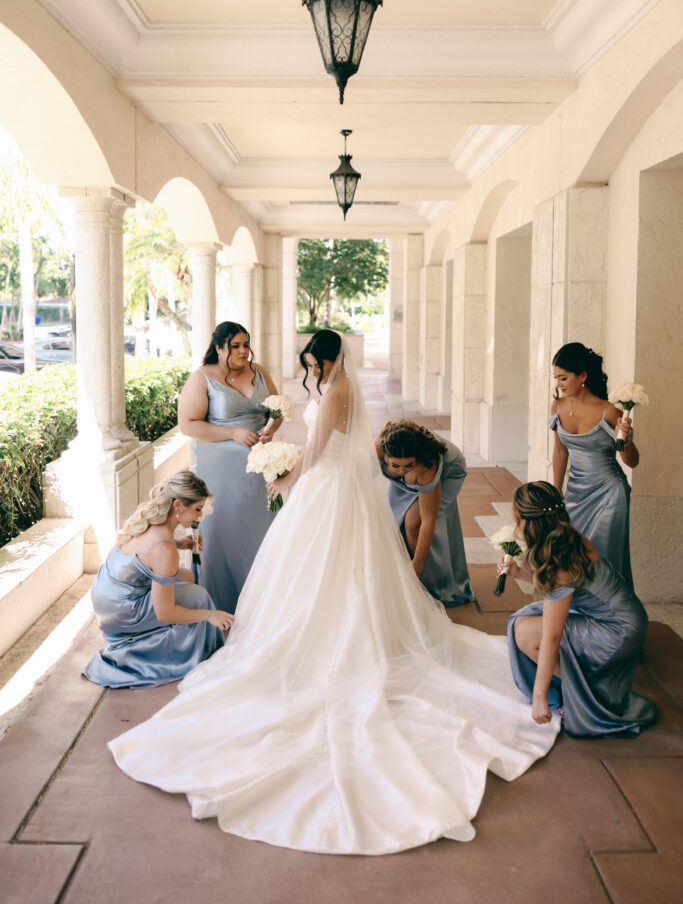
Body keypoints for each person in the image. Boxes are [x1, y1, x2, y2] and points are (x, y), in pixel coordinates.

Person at [109, 330, 558, 856]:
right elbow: (322, 441)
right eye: (308, 365)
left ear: (330, 359)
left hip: (326, 485)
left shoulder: (339, 388)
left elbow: (319, 447)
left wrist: (285, 478)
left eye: (314, 363)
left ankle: (330, 643)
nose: (312, 372)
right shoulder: (338, 385)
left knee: (327, 567)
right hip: (332, 484)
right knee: (324, 568)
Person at [503, 481, 656, 738]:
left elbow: (552, 636)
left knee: (527, 632)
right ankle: (581, 686)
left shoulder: (558, 558)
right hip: (626, 618)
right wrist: (517, 572)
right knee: (525, 618)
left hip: (617, 631)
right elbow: (562, 587)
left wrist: (539, 697)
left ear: (527, 522)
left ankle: (581, 696)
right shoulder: (564, 537)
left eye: (517, 519)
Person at [83, 472, 233, 688]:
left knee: (189, 578)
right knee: (198, 597)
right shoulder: (164, 549)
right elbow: (165, 613)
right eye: (197, 509)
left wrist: (178, 544)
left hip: (105, 595)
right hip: (122, 612)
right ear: (179, 506)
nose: (199, 517)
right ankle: (188, 655)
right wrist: (210, 615)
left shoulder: (148, 520)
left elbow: (147, 555)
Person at [178, 321, 282, 613]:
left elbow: (277, 409)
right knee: (224, 530)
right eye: (234, 346)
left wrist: (272, 429)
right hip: (219, 471)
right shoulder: (202, 377)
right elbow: (188, 425)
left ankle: (264, 606)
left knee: (262, 529)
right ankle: (223, 602)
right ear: (218, 348)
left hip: (259, 469)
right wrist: (233, 433)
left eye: (245, 345)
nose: (242, 352)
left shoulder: (259, 371)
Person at [550, 342, 639, 588]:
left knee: (604, 558)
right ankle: (579, 613)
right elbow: (560, 450)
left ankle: (610, 617)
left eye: (563, 377)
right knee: (572, 556)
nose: (559, 383)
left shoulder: (610, 411)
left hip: (610, 494)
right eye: (556, 377)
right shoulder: (558, 406)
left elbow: (632, 461)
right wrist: (557, 491)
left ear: (583, 376)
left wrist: (627, 439)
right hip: (576, 494)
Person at [375, 420, 473, 606]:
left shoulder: (426, 466)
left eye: (407, 465)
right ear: (385, 456)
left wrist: (417, 565)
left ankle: (426, 581)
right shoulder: (379, 446)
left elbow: (428, 521)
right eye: (395, 466)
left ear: (415, 458)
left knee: (414, 522)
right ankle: (398, 575)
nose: (401, 471)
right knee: (392, 522)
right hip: (413, 472)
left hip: (449, 473)